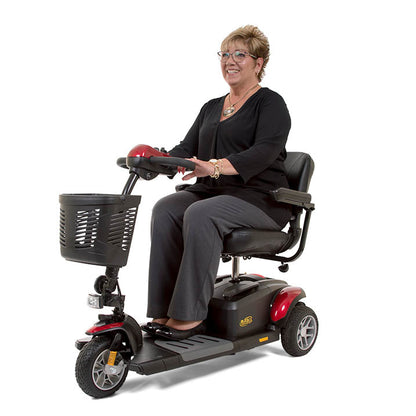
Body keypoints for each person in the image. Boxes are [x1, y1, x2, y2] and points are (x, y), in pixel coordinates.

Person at [142, 25, 293, 340]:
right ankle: (163, 311)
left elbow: (263, 153)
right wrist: (158, 160)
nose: (230, 61)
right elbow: (187, 148)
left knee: (202, 213)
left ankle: (189, 317)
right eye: (224, 54)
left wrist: (213, 167)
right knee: (167, 208)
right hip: (213, 193)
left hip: (260, 198)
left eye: (240, 54)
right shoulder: (212, 107)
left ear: (258, 63)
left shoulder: (270, 104)